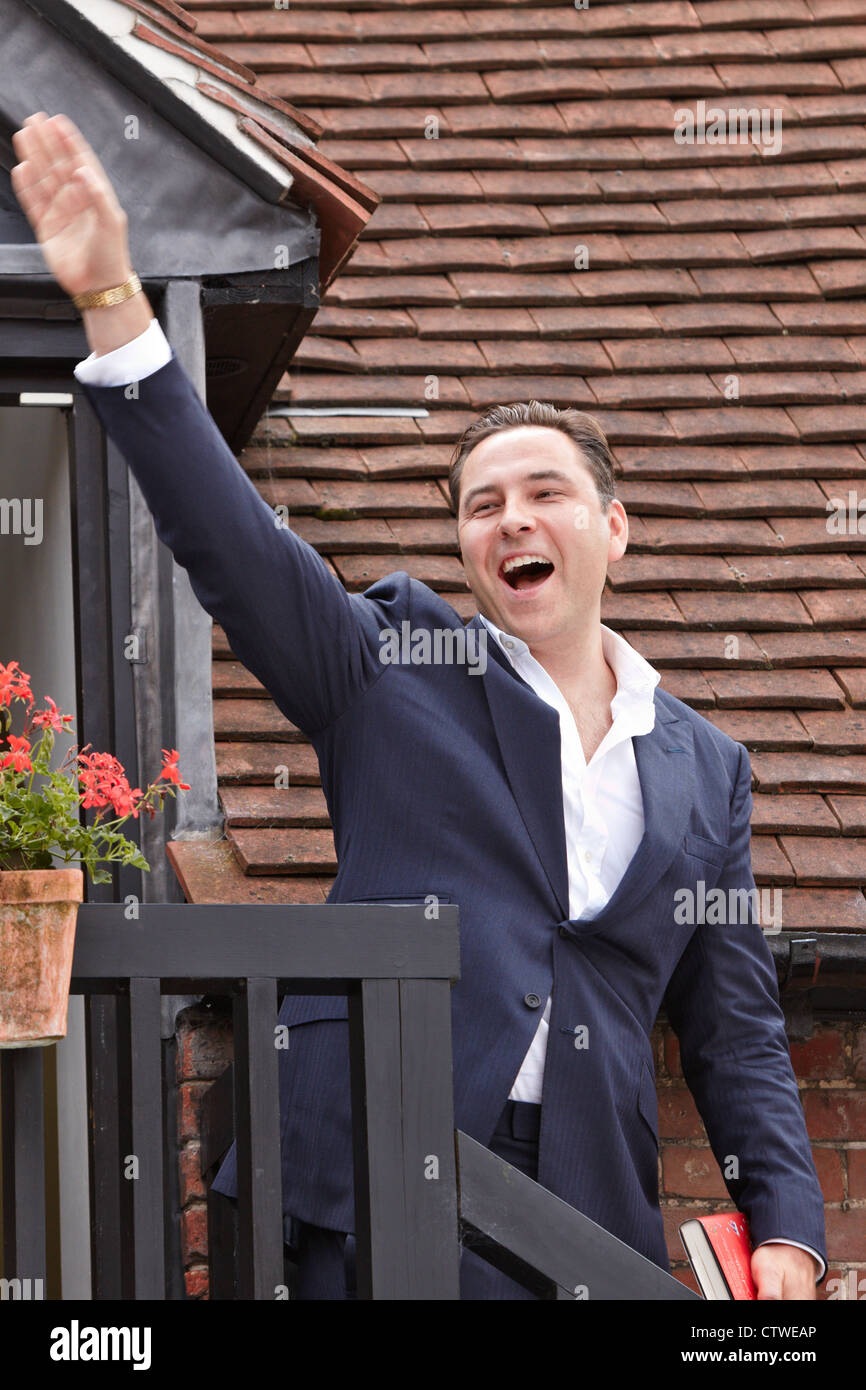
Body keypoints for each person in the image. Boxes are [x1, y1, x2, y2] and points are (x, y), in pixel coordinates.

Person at [12, 111, 827, 1300]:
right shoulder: (390, 665)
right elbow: (239, 551)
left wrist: (789, 1231)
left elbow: (735, 1029)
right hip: (367, 1177)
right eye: (480, 503)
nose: (509, 520)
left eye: (544, 491)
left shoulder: (707, 769)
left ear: (612, 529)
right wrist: (117, 312)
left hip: (582, 1214)